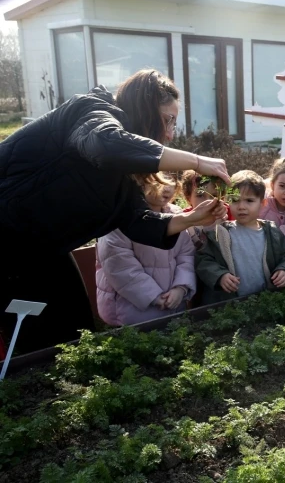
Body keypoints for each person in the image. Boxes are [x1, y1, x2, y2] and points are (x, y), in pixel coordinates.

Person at [0, 69, 228, 354]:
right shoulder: (91, 112)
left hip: (42, 249)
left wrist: (190, 218)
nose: (170, 134)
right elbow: (105, 145)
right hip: (8, 245)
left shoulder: (123, 174)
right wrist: (197, 161)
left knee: (74, 330)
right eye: (168, 121)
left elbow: (136, 221)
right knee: (31, 343)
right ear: (145, 111)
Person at [95, 175, 196, 326]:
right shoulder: (119, 221)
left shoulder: (177, 215)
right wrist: (153, 296)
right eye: (158, 182)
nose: (167, 187)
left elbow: (186, 254)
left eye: (171, 181)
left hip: (174, 303)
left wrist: (181, 287)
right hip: (131, 309)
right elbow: (120, 267)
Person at [195, 170, 285, 305]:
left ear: (263, 203)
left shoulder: (272, 232)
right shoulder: (220, 232)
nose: (241, 207)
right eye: (235, 200)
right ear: (227, 201)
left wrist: (284, 271)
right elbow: (204, 261)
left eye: (249, 201)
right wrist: (220, 276)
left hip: (265, 302)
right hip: (230, 305)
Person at [180, 171, 234, 251]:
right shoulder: (183, 218)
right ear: (188, 199)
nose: (208, 201)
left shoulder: (228, 213)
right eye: (200, 195)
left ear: (222, 198)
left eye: (214, 196)